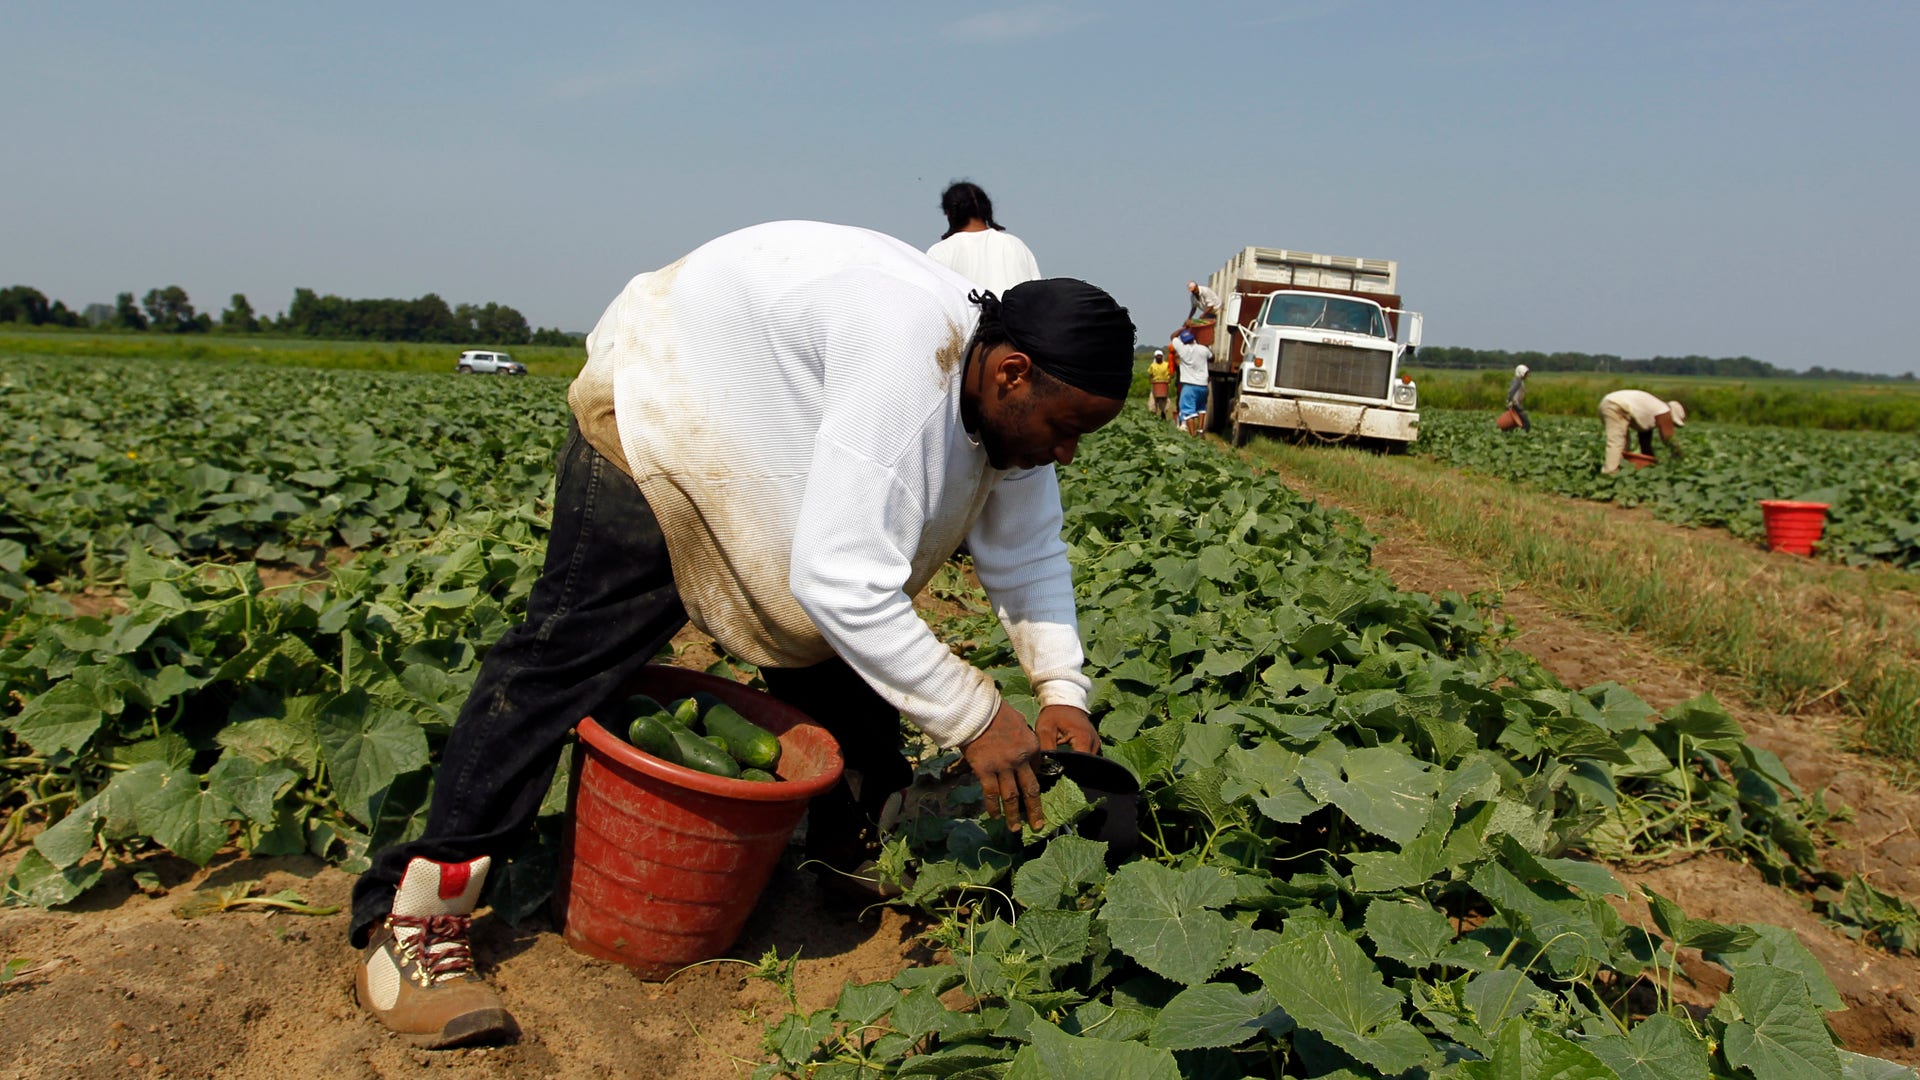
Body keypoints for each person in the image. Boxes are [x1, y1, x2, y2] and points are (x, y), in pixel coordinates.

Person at [350, 220, 1136, 1048]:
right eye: (1067, 427)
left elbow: (1029, 555)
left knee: (845, 666)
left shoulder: (1008, 403)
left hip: (767, 447)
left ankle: (847, 851)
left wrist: (1061, 691)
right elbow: (838, 580)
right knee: (560, 666)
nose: (1068, 453)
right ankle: (412, 921)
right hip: (660, 411)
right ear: (1012, 372)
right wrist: (977, 719)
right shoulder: (908, 360)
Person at [925, 180, 1042, 296]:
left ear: (948, 213)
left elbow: (932, 299)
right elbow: (1039, 295)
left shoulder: (941, 252)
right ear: (987, 209)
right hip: (1018, 309)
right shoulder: (1015, 245)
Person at [1598, 389, 1686, 473]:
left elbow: (1645, 444)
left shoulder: (1652, 411)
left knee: (1624, 443)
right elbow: (1668, 438)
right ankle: (1610, 473)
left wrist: (1651, 463)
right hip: (1616, 405)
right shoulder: (1664, 411)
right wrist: (1679, 455)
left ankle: (1620, 469)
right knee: (1617, 441)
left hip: (1610, 403)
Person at [1170, 329, 1212, 434]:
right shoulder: (1204, 349)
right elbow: (1212, 358)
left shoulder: (1182, 349)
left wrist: (1183, 328)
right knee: (1201, 407)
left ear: (1183, 341)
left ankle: (1193, 435)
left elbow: (1173, 337)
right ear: (1193, 339)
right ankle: (1201, 430)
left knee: (1188, 411)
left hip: (1189, 386)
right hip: (1203, 385)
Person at [1507, 364, 1532, 432]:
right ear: (1521, 372)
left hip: (1516, 404)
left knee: (1515, 422)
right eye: (1525, 373)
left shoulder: (1520, 381)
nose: (1527, 375)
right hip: (1514, 404)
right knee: (1526, 423)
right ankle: (1524, 433)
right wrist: (1510, 401)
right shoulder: (1517, 381)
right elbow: (1511, 391)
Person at [1147, 348, 1171, 418]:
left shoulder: (1166, 365)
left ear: (1162, 356)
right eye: (1157, 356)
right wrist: (1151, 381)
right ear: (1155, 357)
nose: (1159, 357)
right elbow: (1150, 375)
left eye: (1160, 356)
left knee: (1164, 401)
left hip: (1164, 385)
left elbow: (1170, 374)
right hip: (1155, 385)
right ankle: (1153, 414)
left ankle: (1163, 413)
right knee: (1152, 401)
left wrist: (1169, 380)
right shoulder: (1153, 365)